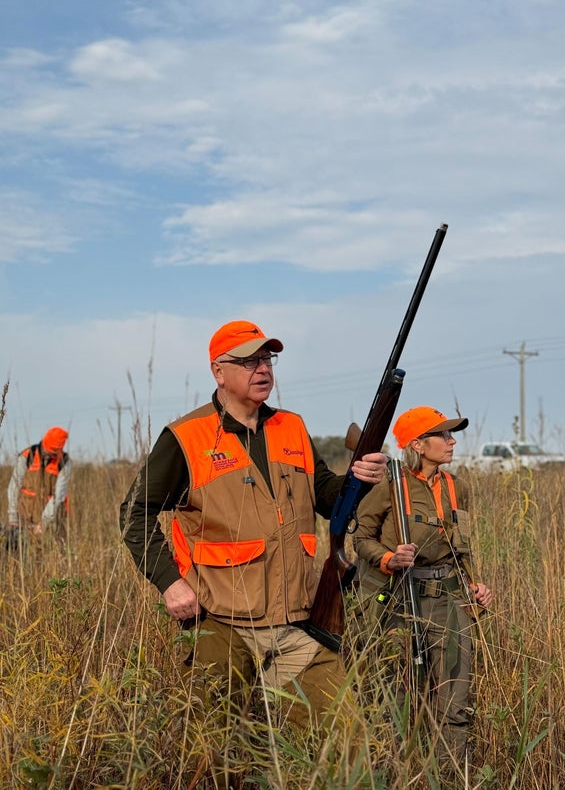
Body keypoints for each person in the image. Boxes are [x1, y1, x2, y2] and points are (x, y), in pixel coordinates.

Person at [119, 319, 387, 780]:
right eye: (248, 361)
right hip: (223, 623)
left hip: (298, 624)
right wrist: (170, 582)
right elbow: (134, 513)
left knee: (348, 745)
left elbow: (325, 496)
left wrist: (356, 479)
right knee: (214, 755)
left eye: (267, 359)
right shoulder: (187, 437)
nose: (262, 369)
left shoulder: (292, 427)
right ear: (219, 372)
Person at [353, 405, 492, 782]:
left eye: (451, 434)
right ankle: (391, 776)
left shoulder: (453, 486)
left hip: (447, 601)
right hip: (397, 600)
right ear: (417, 443)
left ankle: (449, 777)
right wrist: (387, 558)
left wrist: (475, 584)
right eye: (443, 435)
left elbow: (460, 546)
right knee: (393, 699)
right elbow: (359, 538)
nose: (452, 441)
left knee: (454, 701)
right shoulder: (388, 486)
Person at [6, 426, 71, 547]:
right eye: (47, 450)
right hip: (25, 515)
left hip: (52, 518)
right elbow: (14, 486)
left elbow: (58, 497)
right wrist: (13, 516)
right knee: (20, 552)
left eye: (52, 454)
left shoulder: (64, 462)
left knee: (51, 555)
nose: (48, 455)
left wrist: (44, 523)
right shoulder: (27, 456)